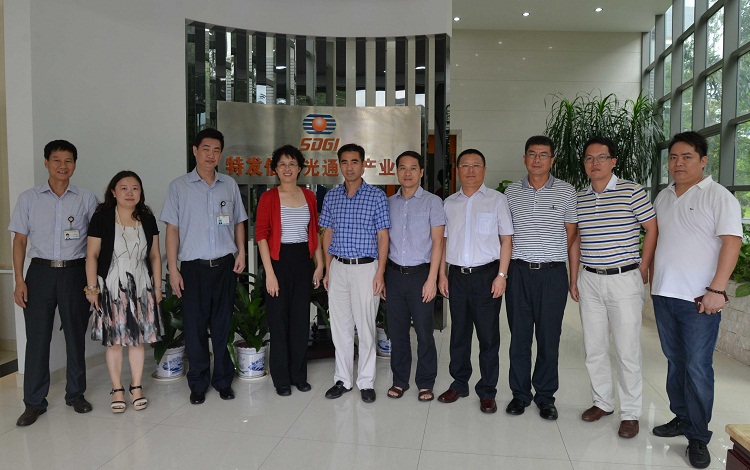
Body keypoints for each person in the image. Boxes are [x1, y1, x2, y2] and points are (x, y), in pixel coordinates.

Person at [650, 132, 742, 469]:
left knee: (698, 366)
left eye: (687, 156)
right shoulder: (663, 197)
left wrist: (716, 290)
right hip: (665, 294)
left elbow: (732, 242)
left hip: (699, 299)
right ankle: (682, 417)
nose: (678, 163)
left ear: (704, 160)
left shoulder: (719, 197)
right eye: (673, 157)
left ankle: (699, 436)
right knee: (675, 361)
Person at [9, 140, 98, 426]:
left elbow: (96, 242)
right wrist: (19, 280)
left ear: (75, 165)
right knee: (37, 339)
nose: (63, 165)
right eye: (57, 160)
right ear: (46, 163)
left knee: (75, 335)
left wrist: (93, 282)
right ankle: (34, 403)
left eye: (68, 160)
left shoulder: (86, 199)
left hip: (75, 274)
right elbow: (19, 241)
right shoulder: (29, 198)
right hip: (39, 274)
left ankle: (76, 394)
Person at [573, 136, 657, 439]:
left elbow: (652, 229)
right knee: (594, 347)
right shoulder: (580, 197)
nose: (594, 163)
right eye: (589, 158)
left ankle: (630, 413)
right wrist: (574, 277)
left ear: (613, 161)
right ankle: (603, 402)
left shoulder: (632, 191)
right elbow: (576, 239)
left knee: (626, 349)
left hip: (624, 278)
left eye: (601, 157)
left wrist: (643, 266)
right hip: (590, 278)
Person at [160, 128, 248, 405]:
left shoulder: (229, 184)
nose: (211, 155)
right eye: (206, 149)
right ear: (195, 151)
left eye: (216, 150)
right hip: (193, 269)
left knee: (223, 325)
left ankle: (223, 380)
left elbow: (238, 221)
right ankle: (198, 383)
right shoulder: (179, 187)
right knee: (195, 327)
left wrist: (242, 252)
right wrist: (173, 269)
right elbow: (172, 230)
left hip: (224, 266)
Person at [503, 136, 578, 421]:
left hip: (552, 274)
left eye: (543, 154)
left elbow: (571, 235)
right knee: (519, 338)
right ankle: (520, 395)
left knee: (549, 339)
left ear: (552, 159)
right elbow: (505, 235)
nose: (537, 160)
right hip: (518, 273)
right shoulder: (511, 192)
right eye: (532, 154)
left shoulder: (566, 191)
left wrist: (570, 275)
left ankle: (545, 397)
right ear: (524, 158)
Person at [437, 148, 514, 414]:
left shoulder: (497, 200)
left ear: (484, 169)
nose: (470, 170)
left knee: (488, 337)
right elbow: (443, 242)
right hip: (457, 276)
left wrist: (501, 276)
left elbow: (507, 240)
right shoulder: (448, 203)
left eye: (476, 165)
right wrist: (442, 274)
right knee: (458, 334)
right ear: (457, 170)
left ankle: (487, 391)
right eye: (465, 165)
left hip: (487, 276)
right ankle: (459, 384)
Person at [85, 171, 163, 413]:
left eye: (135, 188)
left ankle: (136, 387)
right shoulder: (102, 217)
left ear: (141, 192)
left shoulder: (147, 218)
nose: (130, 193)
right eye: (124, 188)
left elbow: (155, 255)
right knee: (115, 342)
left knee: (137, 340)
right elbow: (92, 255)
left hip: (141, 284)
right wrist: (92, 289)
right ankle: (117, 388)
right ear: (113, 192)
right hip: (111, 285)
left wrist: (157, 287)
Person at [320, 143, 390, 403]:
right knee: (340, 328)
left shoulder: (376, 196)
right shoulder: (332, 196)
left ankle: (366, 382)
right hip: (338, 267)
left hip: (366, 268)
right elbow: (327, 233)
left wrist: (380, 272)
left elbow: (383, 236)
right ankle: (343, 379)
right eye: (344, 162)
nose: (349, 167)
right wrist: (328, 269)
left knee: (366, 327)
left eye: (354, 162)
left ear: (363, 165)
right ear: (339, 165)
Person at [256, 145, 324, 397]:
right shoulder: (268, 198)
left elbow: (313, 232)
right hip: (278, 261)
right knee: (278, 322)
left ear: (299, 168)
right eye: (282, 164)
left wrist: (319, 265)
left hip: (302, 261)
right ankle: (281, 379)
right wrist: (270, 273)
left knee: (299, 321)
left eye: (292, 164)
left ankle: (299, 375)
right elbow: (261, 236)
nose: (287, 168)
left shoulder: (309, 197)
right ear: (275, 169)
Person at [384, 151, 445, 402]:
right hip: (394, 275)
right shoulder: (388, 202)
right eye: (402, 168)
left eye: (412, 168)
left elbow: (438, 243)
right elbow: (382, 242)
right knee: (397, 332)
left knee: (423, 332)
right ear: (396, 171)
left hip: (421, 275)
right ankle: (400, 380)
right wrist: (382, 276)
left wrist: (432, 279)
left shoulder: (433, 202)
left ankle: (425, 381)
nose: (407, 173)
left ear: (421, 172)